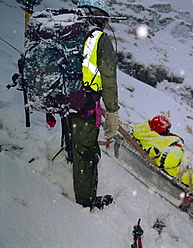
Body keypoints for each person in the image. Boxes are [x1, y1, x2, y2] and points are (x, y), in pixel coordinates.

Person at [69, 0, 119, 210]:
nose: (105, 24)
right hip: (84, 104)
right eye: (104, 19)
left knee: (75, 140)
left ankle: (71, 159)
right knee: (86, 152)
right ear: (97, 15)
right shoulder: (99, 38)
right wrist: (112, 112)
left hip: (64, 97)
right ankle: (85, 199)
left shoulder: (69, 32)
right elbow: (108, 79)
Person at [132, 115, 193, 208]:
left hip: (187, 165)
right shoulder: (159, 145)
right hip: (186, 171)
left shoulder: (151, 137)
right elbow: (171, 162)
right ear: (162, 131)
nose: (169, 131)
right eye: (167, 130)